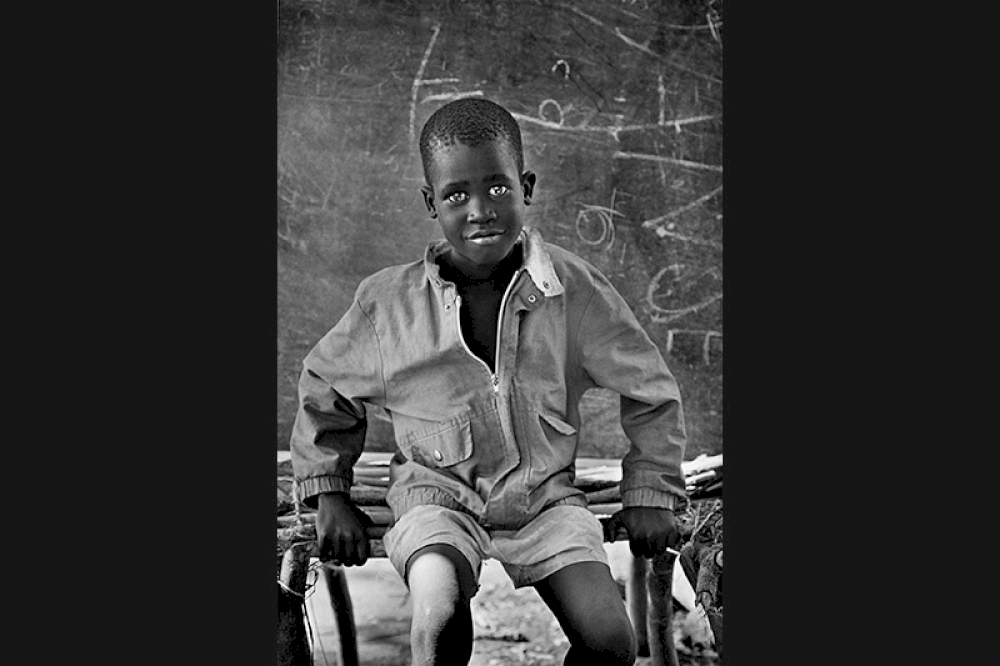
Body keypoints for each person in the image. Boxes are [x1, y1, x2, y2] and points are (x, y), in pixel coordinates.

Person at [290, 97, 687, 666]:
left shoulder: (572, 290)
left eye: (498, 188)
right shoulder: (388, 306)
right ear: (432, 203)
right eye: (457, 195)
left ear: (526, 186)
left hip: (546, 501)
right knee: (439, 616)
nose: (480, 210)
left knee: (611, 641)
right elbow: (325, 389)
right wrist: (328, 494)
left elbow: (650, 389)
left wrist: (651, 490)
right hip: (436, 501)